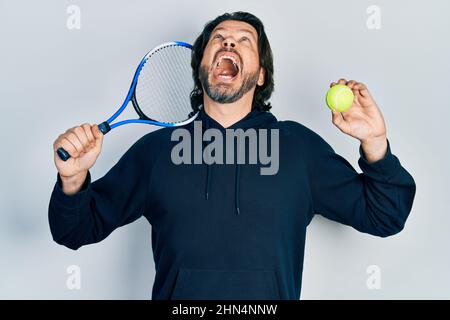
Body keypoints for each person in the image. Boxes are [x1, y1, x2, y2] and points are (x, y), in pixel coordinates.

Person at [49, 12, 416, 300]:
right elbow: (74, 230)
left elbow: (385, 216)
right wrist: (72, 179)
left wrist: (375, 142)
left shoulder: (299, 150)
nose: (229, 43)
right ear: (201, 67)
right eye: (218, 40)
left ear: (259, 75)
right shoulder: (157, 153)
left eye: (244, 41)